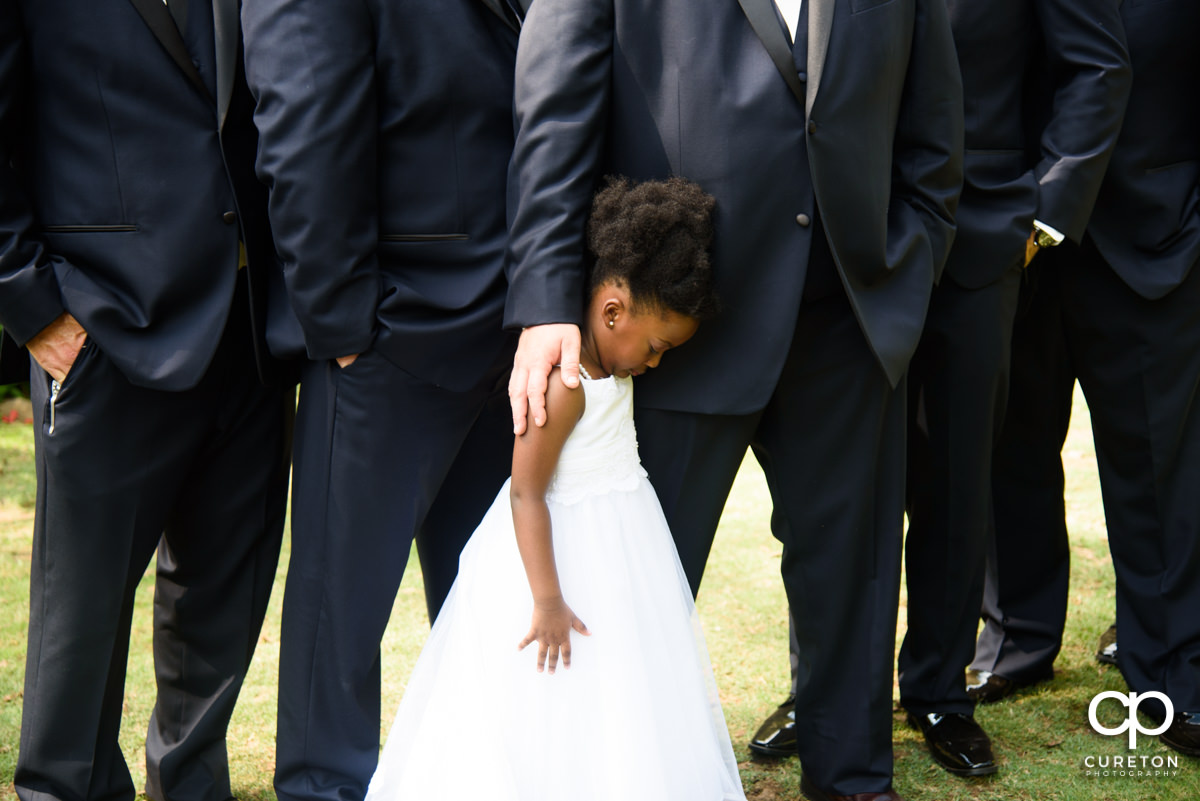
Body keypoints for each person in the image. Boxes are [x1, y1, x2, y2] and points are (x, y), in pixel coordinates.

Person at [505, 1, 964, 798]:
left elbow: (934, 127)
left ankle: (853, 778)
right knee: (633, 581)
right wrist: (548, 298)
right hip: (674, 332)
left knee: (851, 580)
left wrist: (908, 269)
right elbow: (554, 103)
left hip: (846, 321)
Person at [365, 177, 743, 801]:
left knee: (616, 685)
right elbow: (526, 492)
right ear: (612, 311)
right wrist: (546, 598)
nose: (653, 364)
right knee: (546, 689)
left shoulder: (613, 364)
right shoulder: (567, 384)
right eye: (655, 347)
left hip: (620, 548)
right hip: (555, 562)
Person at [0, 3, 293, 800]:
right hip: (103, 330)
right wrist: (34, 308)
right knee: (80, 621)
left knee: (220, 611)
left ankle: (189, 786)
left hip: (249, 333)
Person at [241, 2, 522, 799]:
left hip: (506, 327)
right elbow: (302, 119)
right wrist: (342, 321)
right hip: (386, 334)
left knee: (487, 597)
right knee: (341, 615)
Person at [968, 0, 1200, 756]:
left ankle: (1169, 666)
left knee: (1158, 461)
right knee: (1011, 445)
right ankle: (1016, 640)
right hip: (1015, 227)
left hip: (1154, 225)